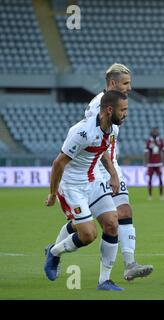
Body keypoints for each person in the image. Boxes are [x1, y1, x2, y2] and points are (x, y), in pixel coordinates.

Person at [44, 90, 128, 291]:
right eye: (123, 110)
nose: (126, 114)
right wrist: (53, 193)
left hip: (94, 181)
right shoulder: (83, 132)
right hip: (72, 186)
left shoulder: (112, 129)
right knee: (89, 235)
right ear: (109, 110)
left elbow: (104, 151)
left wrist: (113, 175)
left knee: (112, 224)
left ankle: (104, 281)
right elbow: (58, 163)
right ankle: (54, 252)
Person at [83, 63, 154, 281]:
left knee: (124, 211)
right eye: (126, 83)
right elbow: (96, 144)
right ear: (113, 83)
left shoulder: (116, 104)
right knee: (92, 224)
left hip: (112, 165)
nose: (129, 88)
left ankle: (130, 264)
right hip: (97, 168)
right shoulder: (98, 106)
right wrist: (112, 173)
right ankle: (56, 250)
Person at [145, 127, 164, 200]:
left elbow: (163, 151)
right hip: (151, 163)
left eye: (156, 131)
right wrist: (146, 162)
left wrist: (163, 162)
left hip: (158, 163)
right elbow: (146, 152)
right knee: (150, 179)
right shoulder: (149, 141)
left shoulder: (160, 141)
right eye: (153, 131)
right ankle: (150, 195)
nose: (155, 133)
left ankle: (161, 195)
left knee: (160, 179)